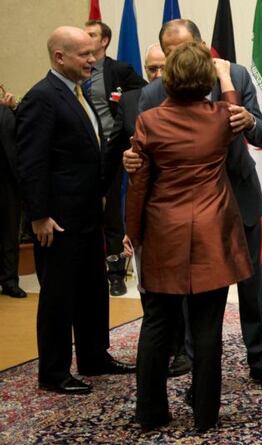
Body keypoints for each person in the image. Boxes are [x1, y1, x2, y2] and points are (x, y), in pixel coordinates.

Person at [124, 19, 262, 393]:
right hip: (186, 210)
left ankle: (260, 360)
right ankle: (197, 368)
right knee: (195, 293)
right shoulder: (154, 91)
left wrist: (249, 123)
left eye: (180, 48)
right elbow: (142, 150)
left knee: (252, 287)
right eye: (167, 49)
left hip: (238, 196)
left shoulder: (237, 76)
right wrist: (128, 159)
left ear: (200, 45)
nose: (173, 57)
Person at [126, 42, 252, 432]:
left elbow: (139, 186)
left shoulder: (148, 121)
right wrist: (227, 79)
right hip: (213, 232)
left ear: (168, 78)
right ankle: (205, 416)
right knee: (207, 327)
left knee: (157, 324)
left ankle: (150, 413)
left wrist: (132, 235)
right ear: (204, 80)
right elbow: (235, 111)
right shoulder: (221, 117)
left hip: (164, 231)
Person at [16, 26, 135, 396]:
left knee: (92, 289)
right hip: (57, 220)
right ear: (59, 58)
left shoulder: (77, 94)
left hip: (86, 214)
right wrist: (38, 216)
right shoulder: (42, 98)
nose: (92, 59)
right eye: (84, 54)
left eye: (93, 52)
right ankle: (53, 372)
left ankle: (94, 356)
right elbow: (30, 163)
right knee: (58, 296)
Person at [110, 44, 190, 378]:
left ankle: (184, 351)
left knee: (186, 293)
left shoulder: (198, 101)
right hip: (150, 211)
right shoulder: (132, 100)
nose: (156, 75)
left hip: (187, 213)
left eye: (162, 67)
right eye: (150, 68)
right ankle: (164, 355)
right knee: (155, 300)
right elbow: (118, 152)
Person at [84, 19, 147, 297]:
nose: (86, 38)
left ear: (104, 41)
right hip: (83, 154)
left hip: (113, 149)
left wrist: (122, 110)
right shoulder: (78, 70)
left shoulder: (118, 70)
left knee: (112, 216)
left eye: (92, 35)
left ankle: (116, 275)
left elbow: (147, 94)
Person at [0, 86, 26, 299]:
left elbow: (26, 129)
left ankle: (10, 280)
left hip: (9, 179)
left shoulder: (8, 108)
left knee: (10, 231)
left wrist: (14, 108)